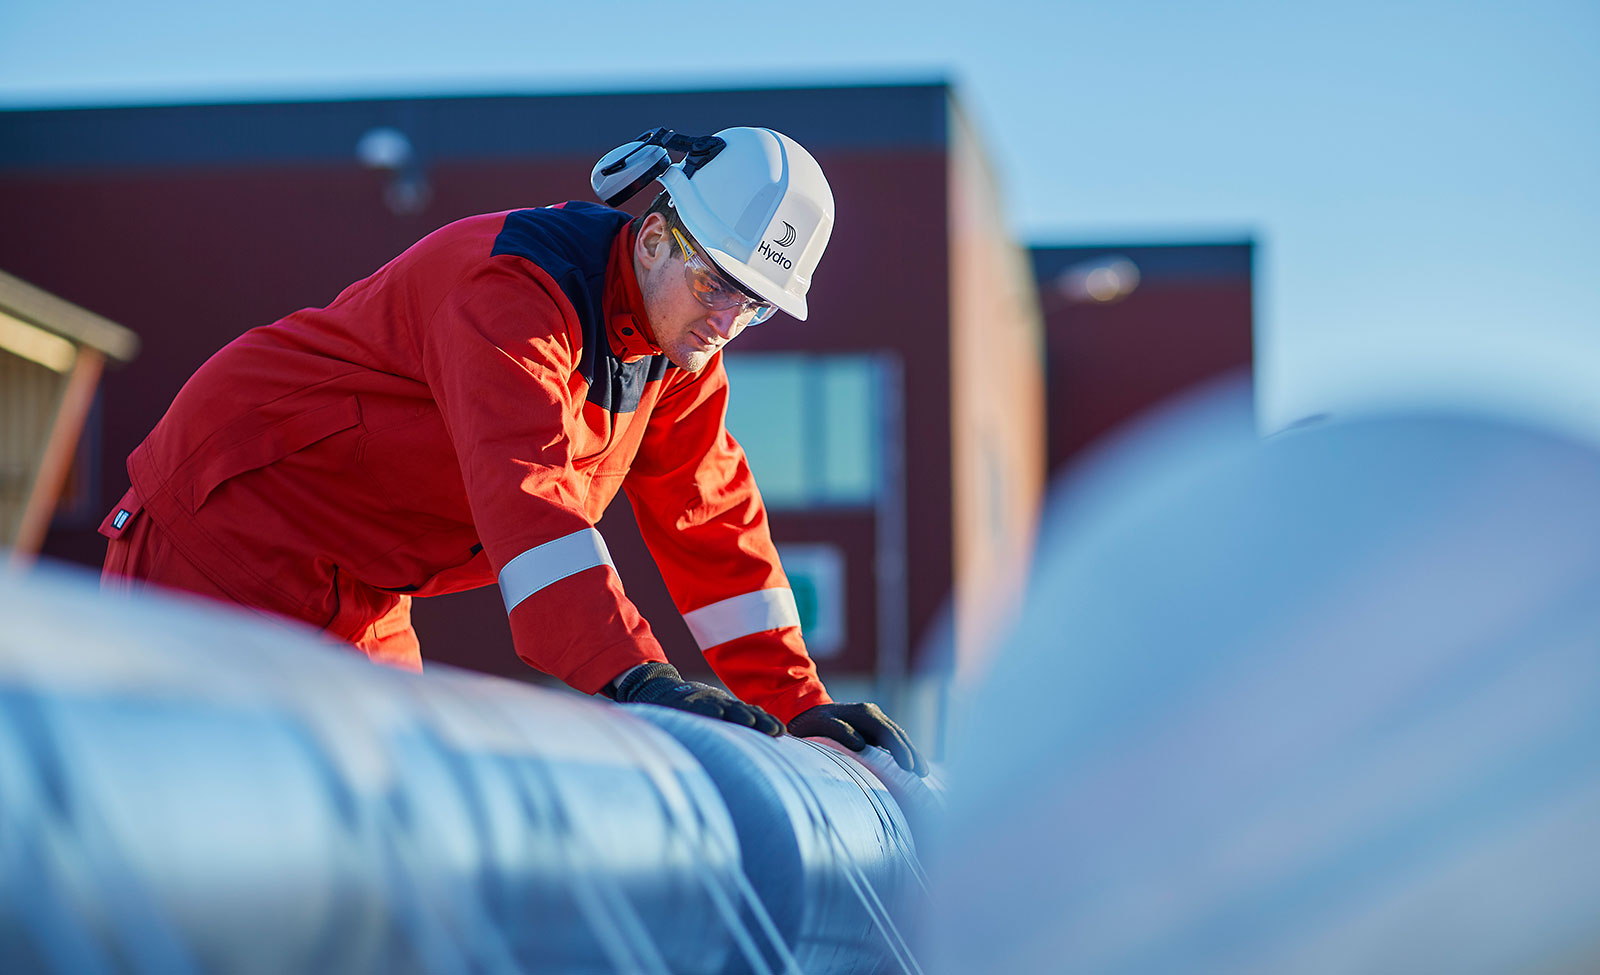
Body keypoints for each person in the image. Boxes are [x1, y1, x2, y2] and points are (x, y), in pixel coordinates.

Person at [98, 125, 926, 775]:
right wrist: (636, 676)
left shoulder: (680, 359)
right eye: (716, 287)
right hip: (227, 520)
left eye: (754, 308)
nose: (724, 324)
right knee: (188, 827)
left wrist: (796, 700)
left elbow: (713, 526)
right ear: (652, 236)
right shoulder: (513, 292)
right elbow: (531, 505)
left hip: (360, 584)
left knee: (389, 833)